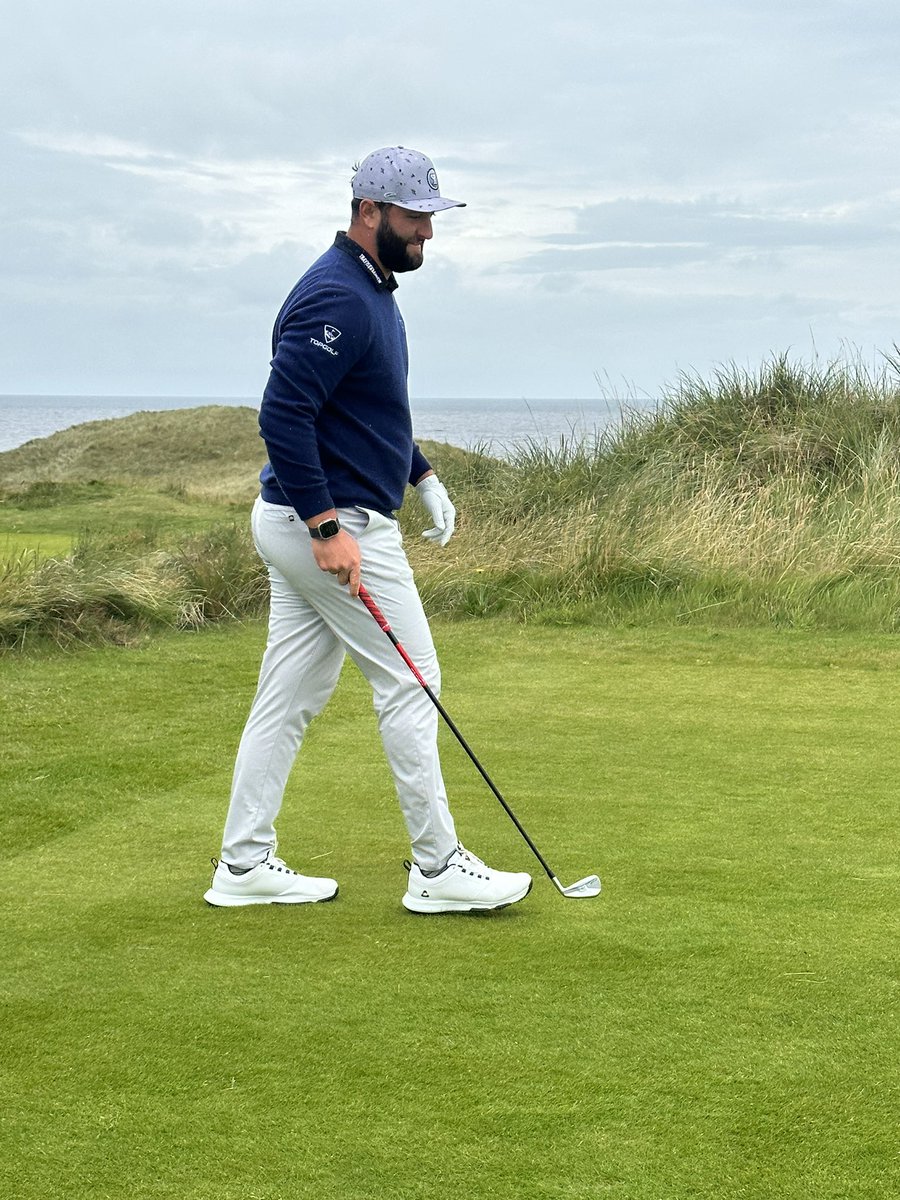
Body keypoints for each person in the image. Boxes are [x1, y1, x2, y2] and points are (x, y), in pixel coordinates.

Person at [203, 146, 532, 914]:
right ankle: (437, 868)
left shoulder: (374, 288)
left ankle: (243, 864)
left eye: (430, 218)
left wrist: (420, 473)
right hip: (333, 524)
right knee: (414, 681)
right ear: (369, 212)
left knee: (288, 698)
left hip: (317, 516)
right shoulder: (338, 298)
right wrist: (325, 525)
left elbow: (363, 408)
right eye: (415, 218)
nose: (427, 233)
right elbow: (282, 416)